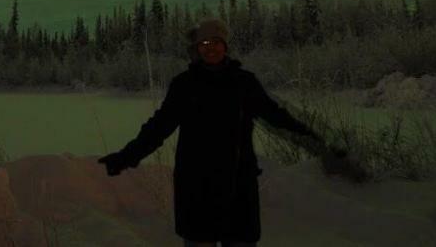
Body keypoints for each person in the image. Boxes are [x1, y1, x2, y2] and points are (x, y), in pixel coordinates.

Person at [98, 18, 363, 246]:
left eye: (216, 42)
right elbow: (158, 127)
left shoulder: (244, 83)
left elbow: (279, 118)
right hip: (196, 187)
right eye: (204, 44)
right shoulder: (184, 85)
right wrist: (126, 157)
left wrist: (321, 144)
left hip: (238, 185)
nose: (210, 48)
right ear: (196, 50)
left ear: (225, 45)